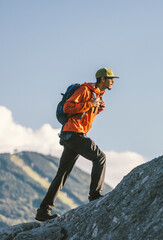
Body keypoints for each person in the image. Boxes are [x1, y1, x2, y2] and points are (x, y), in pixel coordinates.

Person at [35, 67, 119, 222]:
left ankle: (43, 211)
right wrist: (90, 103)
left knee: (62, 174)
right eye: (110, 78)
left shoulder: (96, 95)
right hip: (74, 133)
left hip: (72, 135)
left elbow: (82, 115)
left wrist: (97, 108)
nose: (113, 81)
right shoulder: (85, 90)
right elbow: (68, 107)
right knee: (100, 157)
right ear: (102, 79)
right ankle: (95, 195)